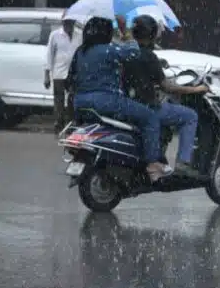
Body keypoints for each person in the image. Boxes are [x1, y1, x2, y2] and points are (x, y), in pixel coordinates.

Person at [70, 16, 168, 182]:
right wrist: (126, 31)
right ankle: (152, 163)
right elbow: (133, 53)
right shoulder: (106, 49)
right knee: (150, 117)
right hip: (106, 101)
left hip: (80, 102)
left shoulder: (81, 51)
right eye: (110, 31)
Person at [123, 15, 208, 176]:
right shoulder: (148, 56)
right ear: (152, 33)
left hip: (130, 104)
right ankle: (183, 162)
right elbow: (167, 86)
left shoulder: (127, 53)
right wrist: (196, 90)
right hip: (148, 106)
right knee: (190, 116)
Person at [45, 16, 81, 134]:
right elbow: (49, 55)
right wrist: (47, 74)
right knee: (59, 100)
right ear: (62, 22)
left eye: (70, 22)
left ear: (74, 22)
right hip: (59, 72)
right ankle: (59, 124)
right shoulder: (55, 35)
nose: (68, 25)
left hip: (74, 73)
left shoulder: (79, 35)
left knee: (72, 100)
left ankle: (70, 125)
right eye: (66, 23)